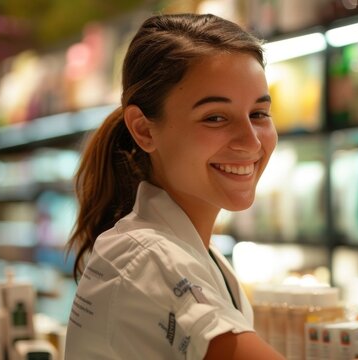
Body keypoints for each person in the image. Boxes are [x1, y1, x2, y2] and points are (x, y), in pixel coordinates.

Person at [64, 13, 284, 360]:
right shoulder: (149, 259)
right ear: (145, 130)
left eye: (259, 114)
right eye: (215, 117)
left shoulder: (194, 254)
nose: (252, 142)